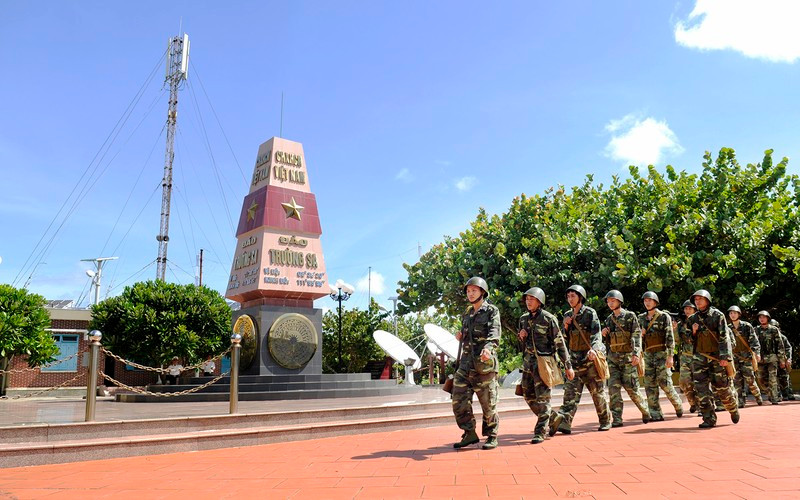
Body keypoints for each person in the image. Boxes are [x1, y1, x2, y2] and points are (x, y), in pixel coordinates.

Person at [549, 284, 611, 435]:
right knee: (569, 395)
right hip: (574, 361)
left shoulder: (590, 313)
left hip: (590, 360)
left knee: (597, 393)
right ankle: (565, 423)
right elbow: (563, 339)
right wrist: (565, 326)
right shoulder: (566, 315)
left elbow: (597, 335)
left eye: (573, 296)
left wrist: (594, 350)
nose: (570, 299)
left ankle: (605, 420)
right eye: (568, 296)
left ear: (580, 297)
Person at [517, 286, 574, 443]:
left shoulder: (549, 319)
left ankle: (540, 432)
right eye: (527, 299)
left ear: (539, 301)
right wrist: (521, 337)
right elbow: (520, 346)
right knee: (528, 396)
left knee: (543, 399)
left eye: (532, 299)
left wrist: (567, 365)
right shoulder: (523, 319)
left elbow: (559, 344)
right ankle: (554, 418)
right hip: (528, 364)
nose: (528, 302)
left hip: (544, 363)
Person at [452, 277, 501, 450]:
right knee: (458, 399)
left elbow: (494, 333)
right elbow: (468, 334)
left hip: (484, 365)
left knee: (488, 403)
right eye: (468, 291)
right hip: (465, 364)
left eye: (473, 290)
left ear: (482, 292)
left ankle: (492, 435)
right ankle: (469, 433)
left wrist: (488, 348)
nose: (470, 294)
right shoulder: (467, 313)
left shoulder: (491, 311)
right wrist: (461, 335)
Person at [687, 289, 739, 428]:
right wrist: (693, 332)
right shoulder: (692, 319)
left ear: (707, 300)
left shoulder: (718, 315)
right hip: (700, 358)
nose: (697, 301)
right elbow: (688, 340)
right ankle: (708, 418)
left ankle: (733, 408)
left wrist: (725, 357)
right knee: (701, 390)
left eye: (700, 299)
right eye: (695, 299)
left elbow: (724, 337)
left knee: (722, 389)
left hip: (716, 358)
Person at [601, 290, 651, 427]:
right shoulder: (608, 320)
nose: (610, 303)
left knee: (632, 389)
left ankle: (645, 410)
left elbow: (636, 335)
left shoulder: (630, 316)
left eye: (612, 300)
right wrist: (604, 334)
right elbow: (607, 342)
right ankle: (617, 418)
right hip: (613, 360)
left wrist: (636, 353)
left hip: (628, 359)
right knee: (613, 390)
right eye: (608, 301)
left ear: (619, 301)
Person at [639, 292, 683, 420]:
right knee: (649, 384)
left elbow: (670, 337)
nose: (647, 303)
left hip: (662, 354)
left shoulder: (664, 317)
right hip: (648, 354)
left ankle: (677, 403)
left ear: (655, 302)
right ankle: (655, 413)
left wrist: (670, 356)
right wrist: (640, 334)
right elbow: (636, 337)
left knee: (665, 383)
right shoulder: (641, 318)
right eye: (645, 300)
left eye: (649, 300)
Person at [727, 306, 762, 407]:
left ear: (739, 314)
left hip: (746, 357)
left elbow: (754, 341)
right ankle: (741, 401)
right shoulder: (728, 328)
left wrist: (757, 353)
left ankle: (757, 395)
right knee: (737, 380)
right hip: (734, 357)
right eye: (731, 313)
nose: (732, 315)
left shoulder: (746, 326)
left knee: (750, 379)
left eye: (734, 313)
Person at [755, 312, 787, 404]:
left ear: (768, 318)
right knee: (761, 379)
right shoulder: (755, 330)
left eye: (764, 317)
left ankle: (775, 398)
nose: (762, 319)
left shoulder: (774, 330)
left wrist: (781, 360)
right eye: (760, 317)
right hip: (760, 359)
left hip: (772, 358)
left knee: (772, 378)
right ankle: (771, 393)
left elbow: (780, 345)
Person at [676, 300, 700, 413]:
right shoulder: (681, 324)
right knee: (683, 381)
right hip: (685, 356)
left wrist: (695, 331)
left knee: (699, 382)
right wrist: (674, 329)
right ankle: (692, 402)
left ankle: (702, 406)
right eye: (686, 309)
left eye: (690, 308)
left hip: (698, 356)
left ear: (695, 310)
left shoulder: (700, 321)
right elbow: (677, 341)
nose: (687, 311)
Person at [773, 320, 795, 401]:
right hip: (773, 360)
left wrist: (788, 359)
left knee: (785, 377)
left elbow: (788, 348)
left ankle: (788, 393)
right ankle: (777, 394)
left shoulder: (782, 337)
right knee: (774, 378)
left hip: (783, 359)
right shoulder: (768, 336)